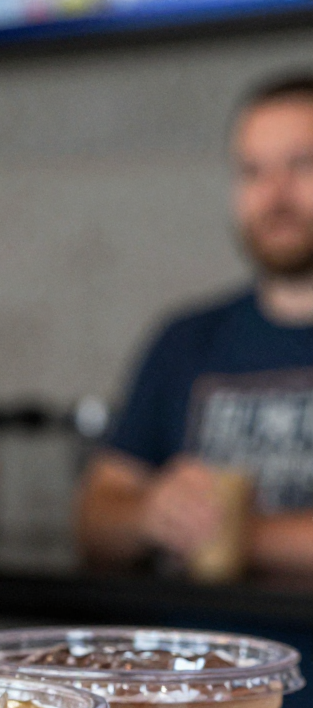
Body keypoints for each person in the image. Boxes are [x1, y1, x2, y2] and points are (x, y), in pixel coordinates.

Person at [81, 74, 313, 575]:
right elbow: (94, 516)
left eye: (302, 165)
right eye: (252, 172)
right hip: (191, 650)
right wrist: (148, 514)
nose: (275, 195)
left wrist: (242, 533)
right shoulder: (186, 339)